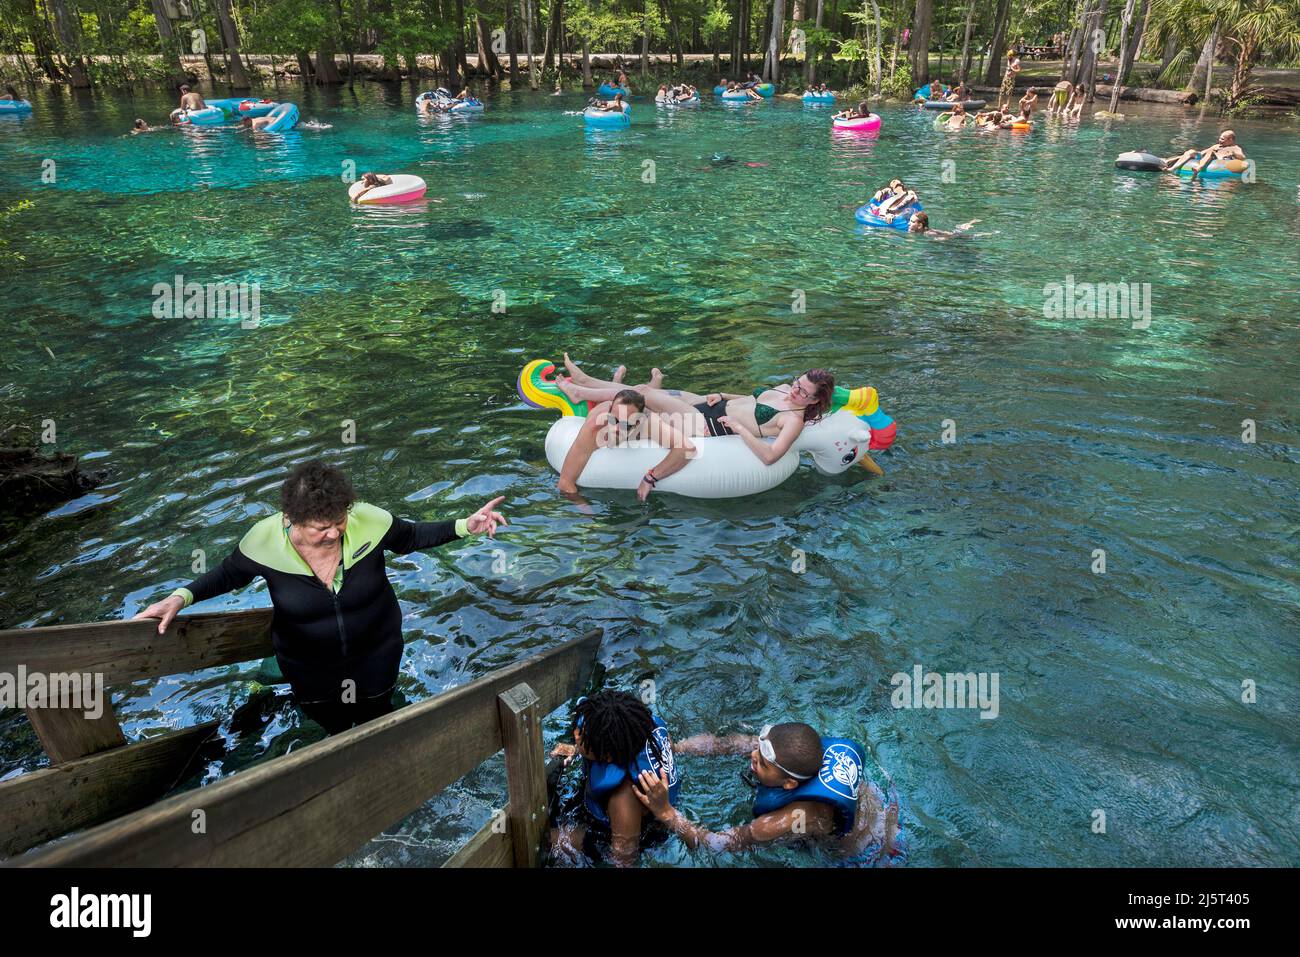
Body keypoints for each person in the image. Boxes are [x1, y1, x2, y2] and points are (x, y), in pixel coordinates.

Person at [132, 460, 507, 735]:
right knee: (334, 725)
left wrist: (464, 526)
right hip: (308, 664)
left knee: (378, 715)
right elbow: (229, 574)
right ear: (290, 520)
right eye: (320, 528)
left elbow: (410, 537)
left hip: (377, 648)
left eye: (338, 522)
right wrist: (181, 597)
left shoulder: (367, 520)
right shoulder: (264, 541)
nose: (333, 534)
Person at [632, 722, 899, 860]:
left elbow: (714, 845)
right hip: (881, 805)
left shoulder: (784, 821)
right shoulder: (794, 750)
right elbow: (730, 743)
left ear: (789, 784)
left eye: (762, 763)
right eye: (758, 750)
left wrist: (665, 812)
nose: (752, 756)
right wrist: (676, 748)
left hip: (870, 854)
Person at [554, 354, 836, 470]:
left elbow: (771, 457)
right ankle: (588, 383)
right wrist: (724, 394)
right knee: (642, 389)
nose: (795, 391)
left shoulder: (793, 420)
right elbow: (752, 398)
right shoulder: (787, 387)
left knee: (646, 395)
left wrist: (739, 430)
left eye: (803, 393)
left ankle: (582, 389)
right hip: (707, 405)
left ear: (814, 401)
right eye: (798, 383)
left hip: (705, 425)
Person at [549, 690, 680, 866]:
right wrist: (577, 749)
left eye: (582, 734)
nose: (575, 733)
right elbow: (671, 749)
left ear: (607, 756)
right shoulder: (646, 730)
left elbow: (624, 859)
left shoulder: (624, 797)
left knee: (546, 841)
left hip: (625, 834)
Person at [556, 383, 696, 500]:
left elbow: (688, 448)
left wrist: (650, 478)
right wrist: (588, 518)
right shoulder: (594, 428)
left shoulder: (649, 424)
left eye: (626, 424)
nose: (617, 428)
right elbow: (565, 483)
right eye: (613, 420)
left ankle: (654, 383)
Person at [1162, 129, 1246, 181]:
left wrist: (1232, 152)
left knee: (1211, 152)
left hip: (1219, 162)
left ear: (1230, 139)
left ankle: (1198, 169)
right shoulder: (1216, 146)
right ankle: (1172, 168)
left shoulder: (1235, 148)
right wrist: (1171, 159)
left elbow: (1242, 157)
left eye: (1222, 139)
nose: (1219, 140)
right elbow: (1201, 153)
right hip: (1206, 158)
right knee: (1191, 151)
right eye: (1220, 138)